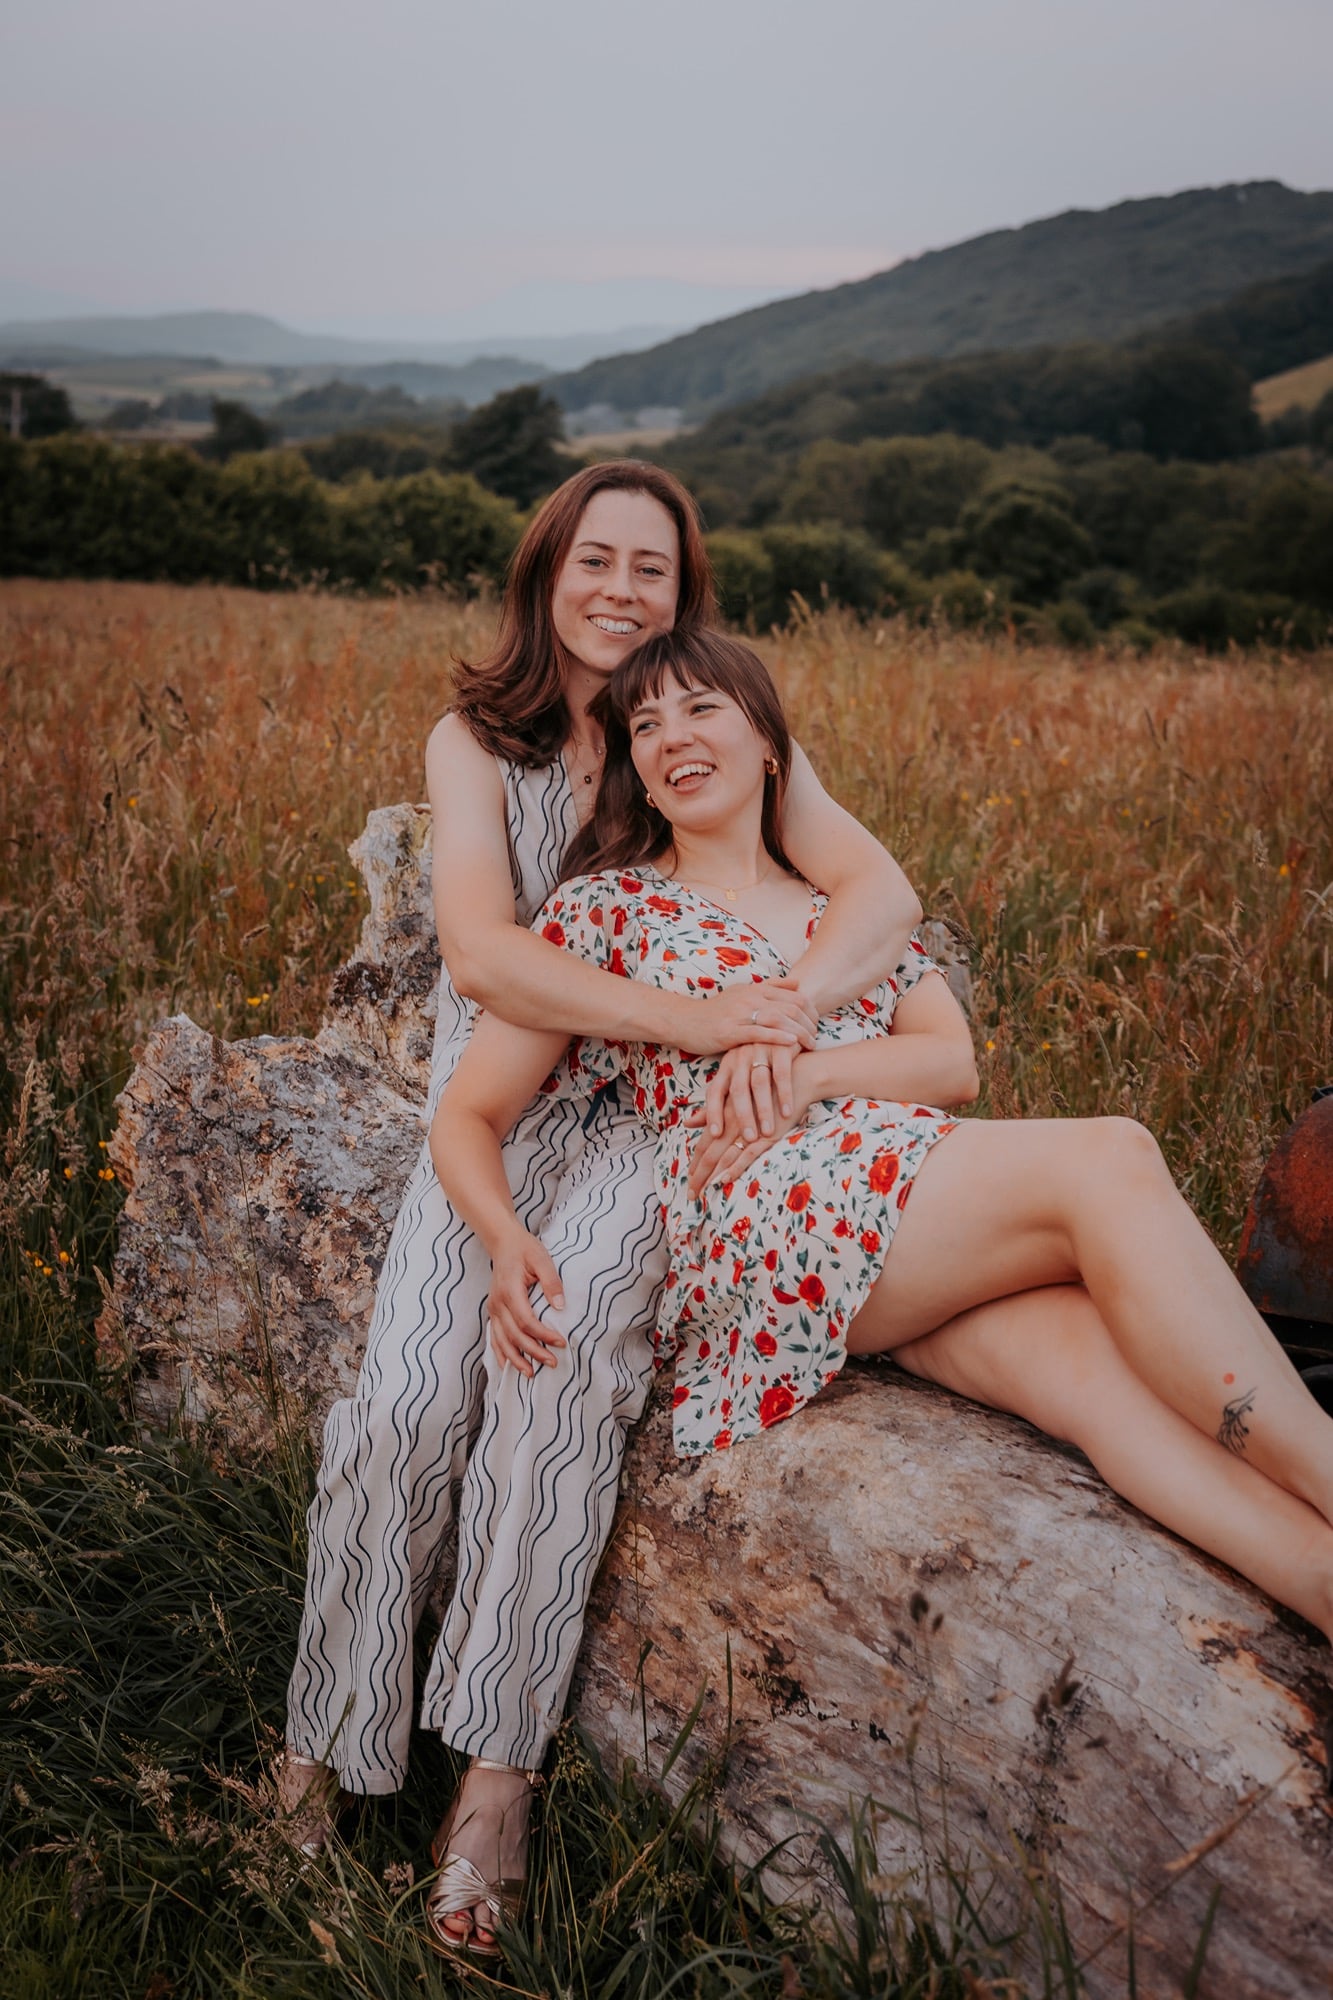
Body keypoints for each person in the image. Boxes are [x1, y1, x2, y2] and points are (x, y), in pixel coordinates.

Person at [434, 625, 1333, 1777]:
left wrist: (799, 1065)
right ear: (637, 775)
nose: (670, 738)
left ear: (770, 745)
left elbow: (948, 1064)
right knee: (1108, 1156)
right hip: (756, 1212)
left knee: (1088, 1369)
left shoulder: (843, 908)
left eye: (700, 709)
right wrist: (504, 1233)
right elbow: (468, 1114)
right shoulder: (607, 911)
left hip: (889, 1196)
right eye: (644, 725)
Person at [277, 461, 925, 1958]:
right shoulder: (476, 744)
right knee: (401, 1410)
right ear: (546, 573)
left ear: (684, 592)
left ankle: (491, 1788)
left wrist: (781, 1019)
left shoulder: (697, 722)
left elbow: (880, 894)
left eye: (653, 569)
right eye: (596, 562)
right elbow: (486, 955)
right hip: (497, 1114)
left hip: (646, 1126)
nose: (623, 592)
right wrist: (708, 1021)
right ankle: (323, 1747)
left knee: (556, 1383)